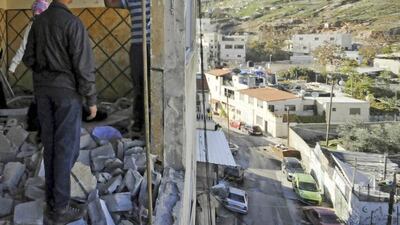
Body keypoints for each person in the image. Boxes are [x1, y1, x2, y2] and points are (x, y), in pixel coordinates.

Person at [22, 0, 97, 223]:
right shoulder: (73, 24)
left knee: (51, 145)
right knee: (66, 149)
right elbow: (83, 66)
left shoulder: (39, 22)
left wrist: (45, 71)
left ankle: (54, 198)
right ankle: (60, 209)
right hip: (66, 94)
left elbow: (28, 58)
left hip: (43, 93)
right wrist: (91, 98)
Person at [104, 0, 150, 132]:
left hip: (154, 45)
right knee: (138, 86)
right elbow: (109, 3)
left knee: (153, 86)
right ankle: (139, 122)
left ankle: (152, 122)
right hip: (137, 46)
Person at [8, 0, 49, 74]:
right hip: (42, 67)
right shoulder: (32, 25)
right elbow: (24, 46)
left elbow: (23, 46)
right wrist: (13, 66)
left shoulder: (49, 25)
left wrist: (13, 66)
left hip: (46, 67)